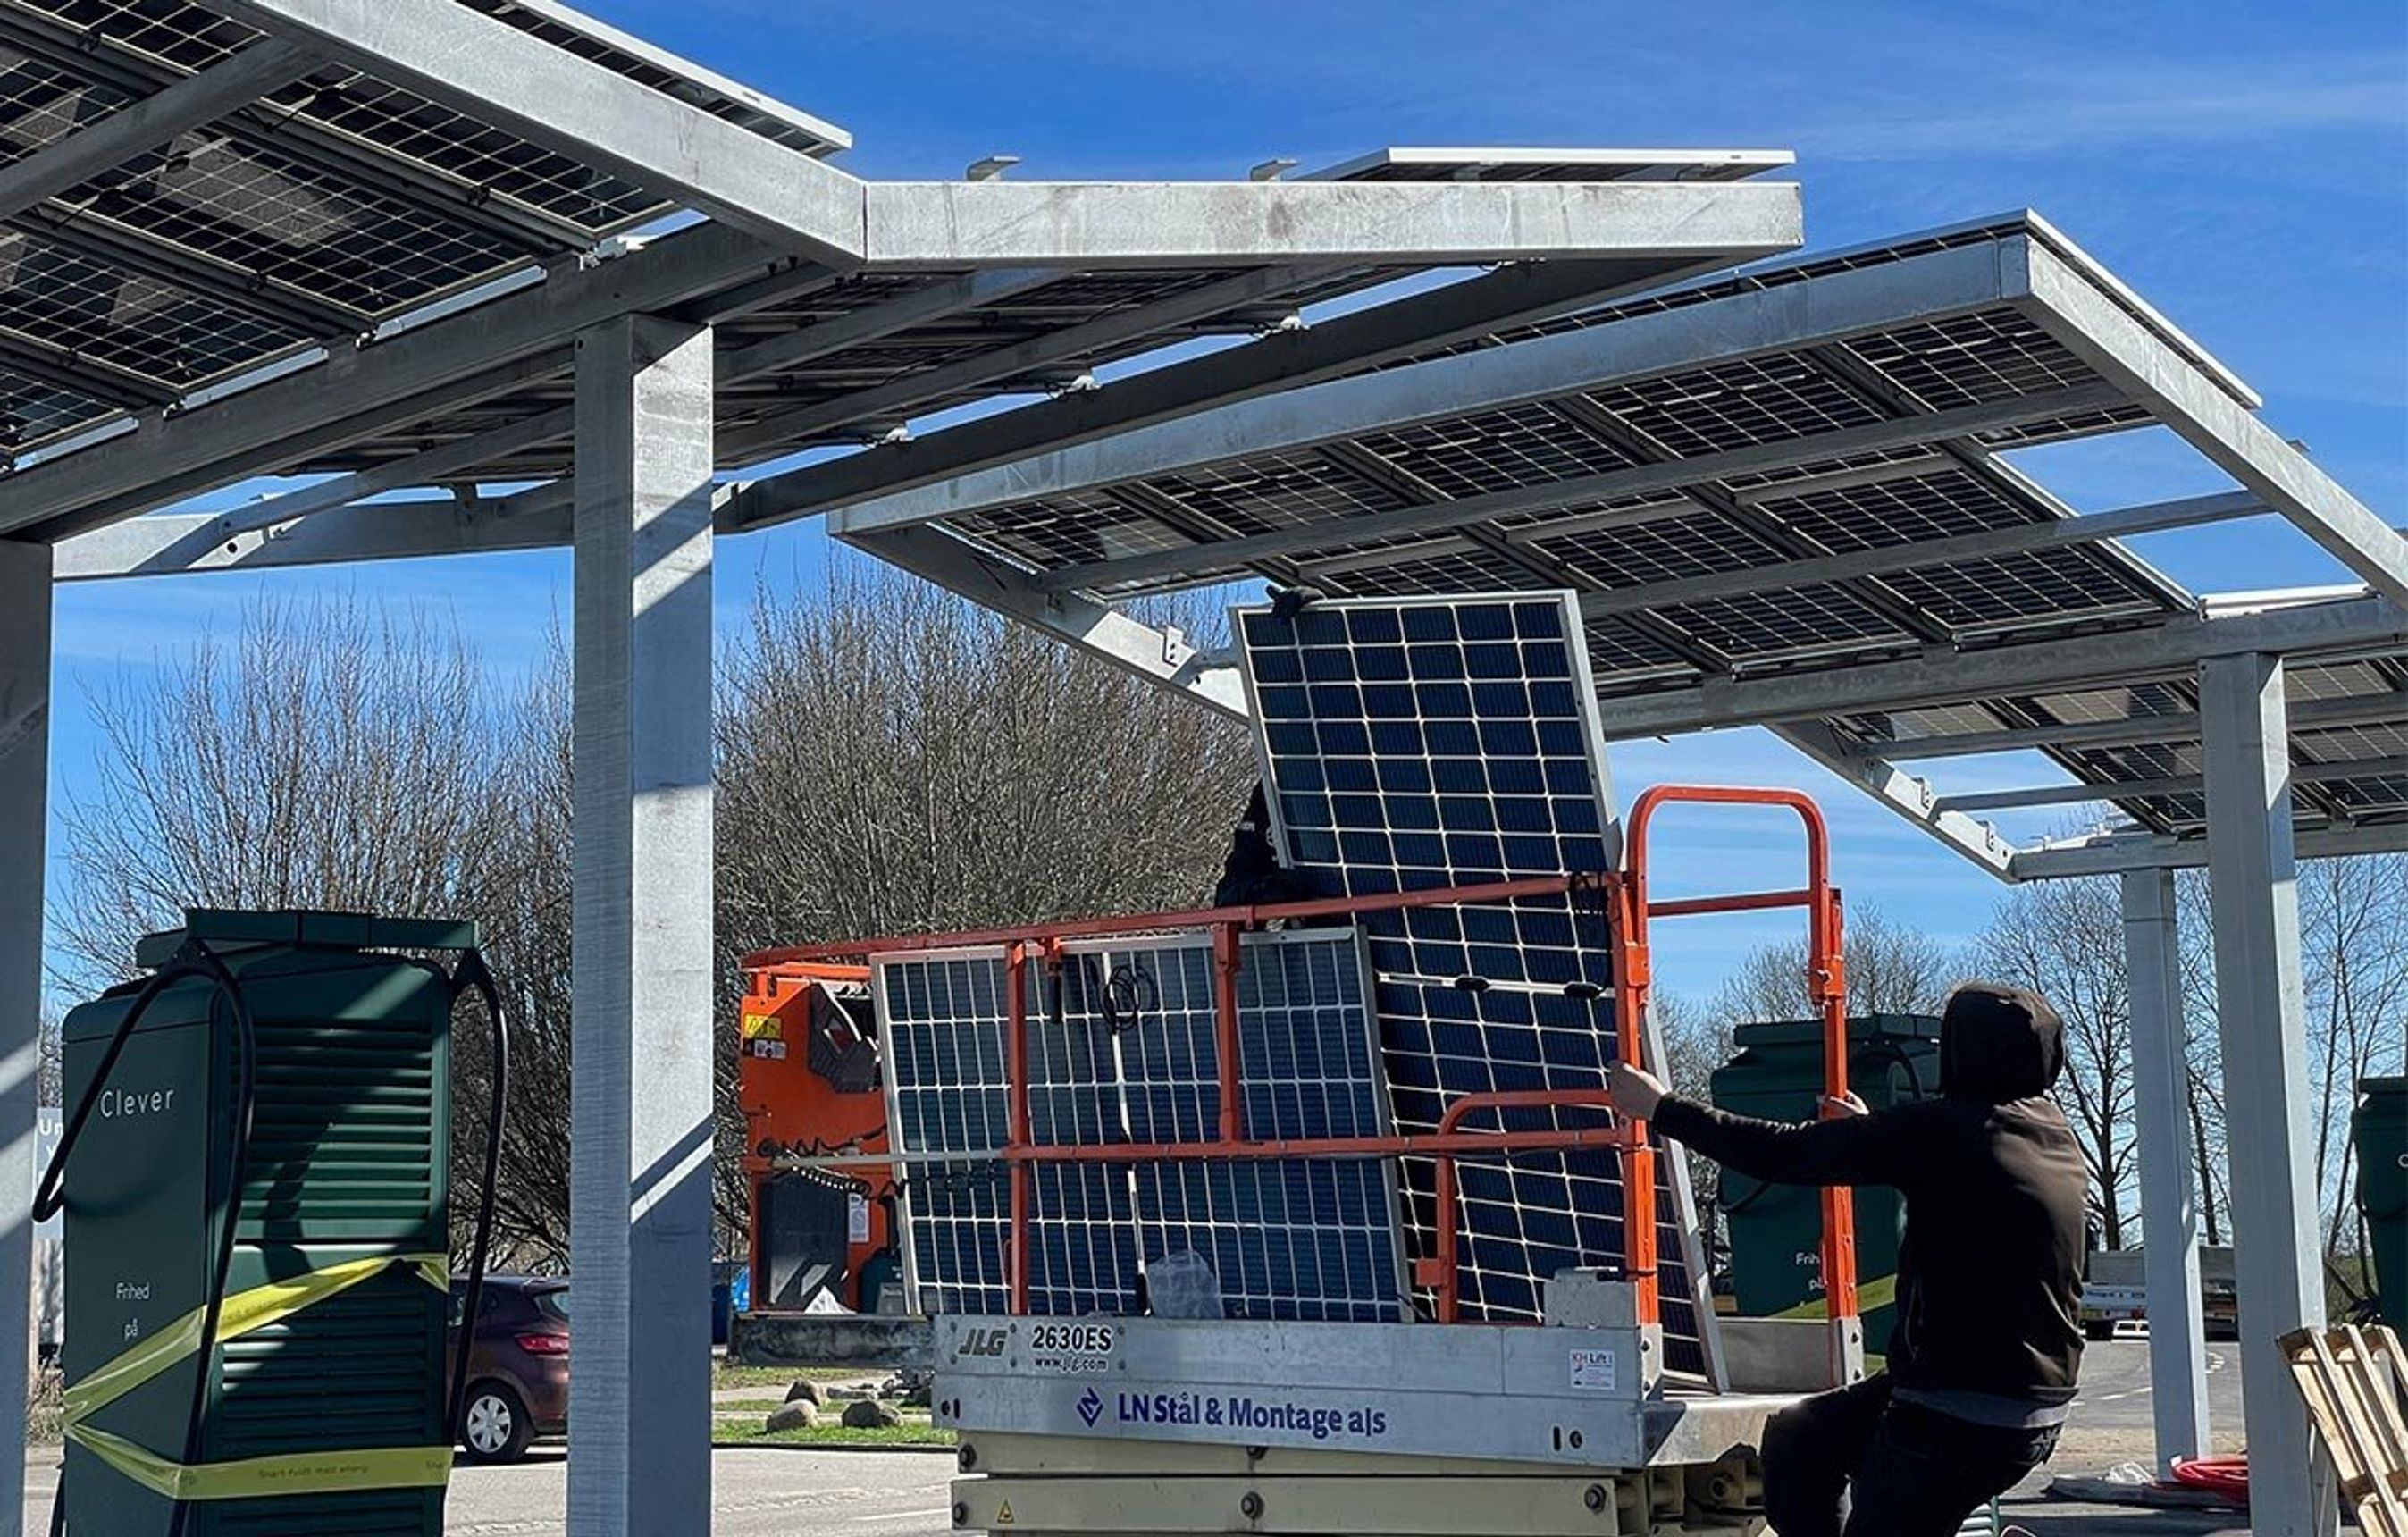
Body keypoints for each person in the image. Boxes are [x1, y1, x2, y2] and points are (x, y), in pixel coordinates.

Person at [1606, 981, 2086, 1537]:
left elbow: (1786, 1153)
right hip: (2018, 1402)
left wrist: (1661, 1108)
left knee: (1881, 1484)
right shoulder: (2049, 1134)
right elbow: (1969, 1197)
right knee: (1802, 1437)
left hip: (1957, 1412)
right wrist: (1869, 1131)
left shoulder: (1946, 1131)